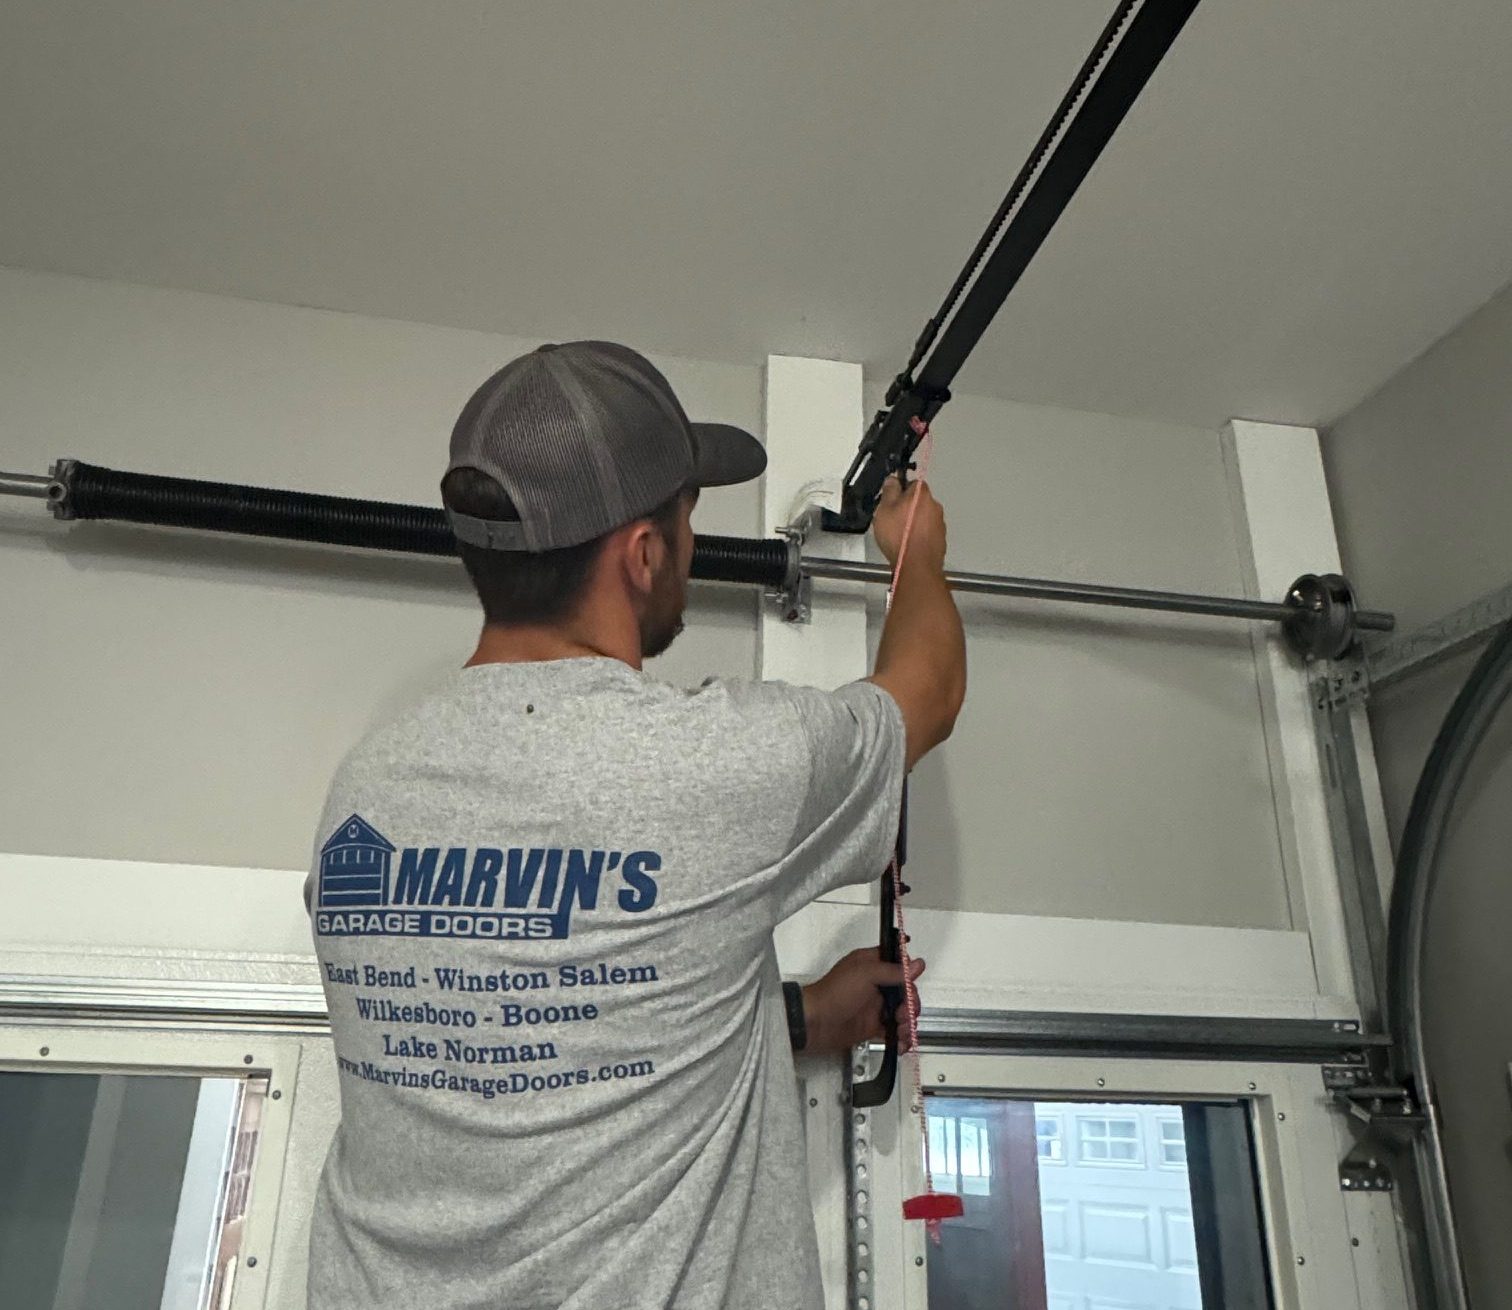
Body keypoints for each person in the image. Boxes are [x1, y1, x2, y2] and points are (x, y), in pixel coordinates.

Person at [304, 341, 966, 1310]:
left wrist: (794, 1017)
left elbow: (511, 1033)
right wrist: (920, 552)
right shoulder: (713, 763)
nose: (691, 548)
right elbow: (929, 693)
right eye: (688, 521)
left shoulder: (368, 787)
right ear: (643, 553)